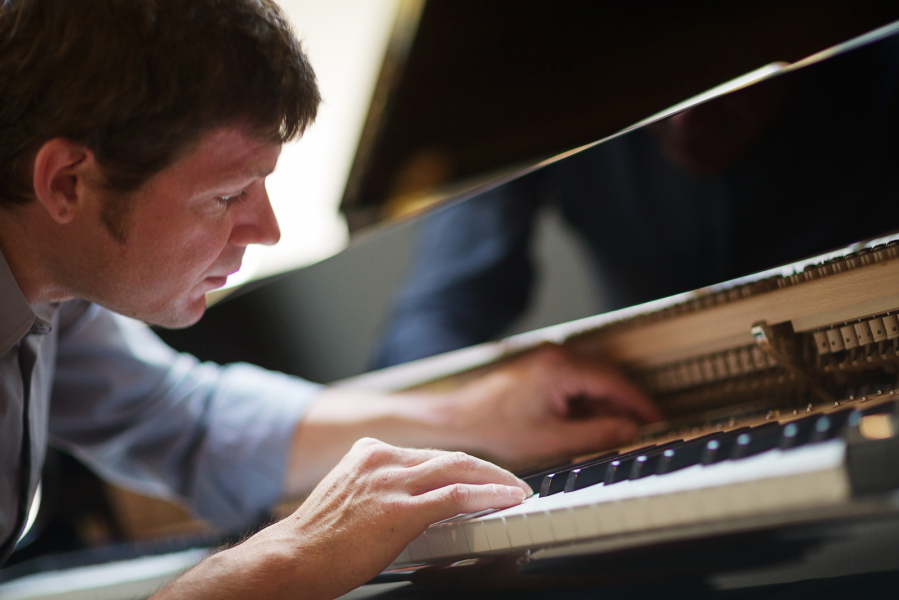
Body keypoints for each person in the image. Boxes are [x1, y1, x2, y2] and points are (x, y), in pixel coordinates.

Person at [0, 1, 659, 598]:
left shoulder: (58, 281)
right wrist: (278, 564)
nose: (266, 229)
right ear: (67, 184)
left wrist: (469, 412)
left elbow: (181, 419)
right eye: (228, 195)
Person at [373, 32, 899, 368]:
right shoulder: (541, 83)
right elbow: (435, 316)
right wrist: (485, 399)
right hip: (656, 429)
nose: (684, 117)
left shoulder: (878, 54)